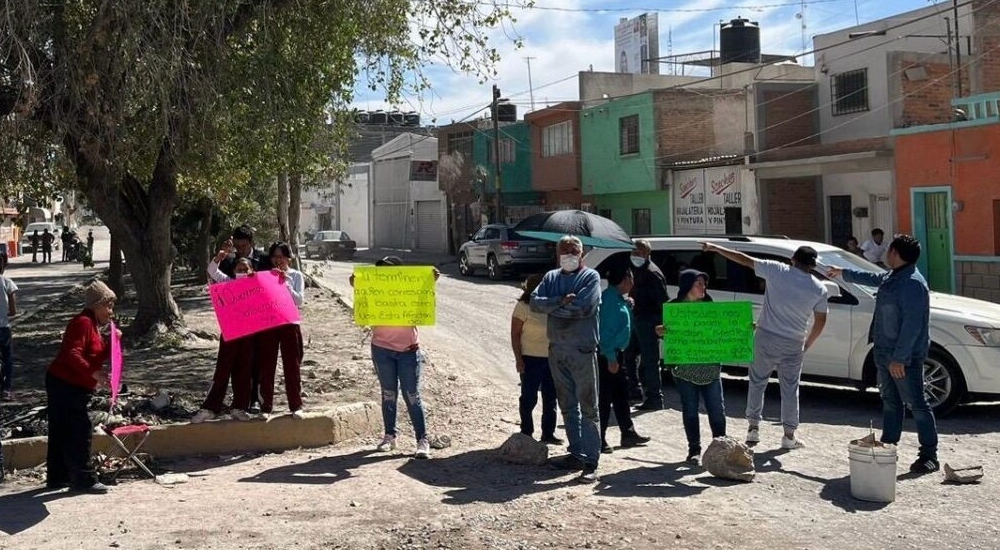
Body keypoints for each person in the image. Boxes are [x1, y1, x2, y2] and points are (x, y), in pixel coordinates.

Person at [827, 234, 939, 473]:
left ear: (896, 254)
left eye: (890, 250)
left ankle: (929, 455)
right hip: (883, 351)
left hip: (903, 357)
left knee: (917, 403)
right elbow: (872, 277)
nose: (886, 253)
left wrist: (901, 357)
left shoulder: (912, 284)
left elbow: (913, 324)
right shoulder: (893, 276)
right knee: (890, 400)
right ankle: (888, 445)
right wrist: (843, 272)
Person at [701, 241, 827, 449]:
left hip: (766, 336)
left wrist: (716, 248)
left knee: (757, 381)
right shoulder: (819, 288)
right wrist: (807, 343)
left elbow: (745, 260)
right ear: (812, 266)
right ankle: (789, 435)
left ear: (792, 260)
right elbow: (820, 320)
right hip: (794, 341)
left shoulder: (777, 270)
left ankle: (753, 428)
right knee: (790, 388)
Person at [530, 235, 603, 483]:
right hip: (557, 349)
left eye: (573, 250)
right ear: (557, 253)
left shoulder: (590, 277)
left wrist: (553, 307)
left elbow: (584, 308)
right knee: (568, 406)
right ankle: (576, 453)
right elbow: (534, 303)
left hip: (582, 350)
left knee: (588, 408)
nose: (569, 254)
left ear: (581, 253)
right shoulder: (550, 277)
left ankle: (591, 461)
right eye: (564, 250)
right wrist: (560, 301)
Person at [352, 256, 437, 459]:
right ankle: (390, 436)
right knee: (388, 393)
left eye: (389, 270)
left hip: (408, 350)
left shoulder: (409, 290)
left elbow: (427, 287)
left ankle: (422, 440)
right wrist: (359, 279)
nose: (384, 274)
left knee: (412, 395)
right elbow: (355, 283)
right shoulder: (375, 290)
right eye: (381, 270)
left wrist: (429, 278)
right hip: (381, 349)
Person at [45, 281, 119, 494]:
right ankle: (84, 478)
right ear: (97, 305)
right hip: (65, 383)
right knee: (79, 429)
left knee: (61, 429)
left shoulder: (93, 325)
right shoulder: (83, 323)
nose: (110, 311)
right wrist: (93, 373)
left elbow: (94, 355)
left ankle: (58, 476)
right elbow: (72, 354)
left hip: (72, 383)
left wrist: (111, 345)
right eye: (108, 306)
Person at [660, 269, 726, 465]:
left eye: (704, 283)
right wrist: (660, 330)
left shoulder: (709, 306)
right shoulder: (674, 308)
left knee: (717, 410)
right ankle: (694, 450)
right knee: (690, 410)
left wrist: (743, 329)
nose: (703, 287)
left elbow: (722, 330)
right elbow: (664, 331)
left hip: (710, 368)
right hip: (684, 370)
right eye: (698, 283)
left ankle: (720, 448)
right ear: (687, 285)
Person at [191, 254, 256, 423]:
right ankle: (210, 407)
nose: (242, 272)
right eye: (239, 270)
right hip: (230, 332)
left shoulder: (257, 285)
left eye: (245, 269)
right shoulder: (228, 283)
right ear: (234, 271)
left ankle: (239, 407)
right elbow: (212, 271)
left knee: (244, 370)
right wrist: (218, 257)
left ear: (251, 270)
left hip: (249, 334)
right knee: (222, 370)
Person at [218, 225, 272, 413]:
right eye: (237, 246)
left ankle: (255, 398)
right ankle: (238, 397)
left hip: (259, 318)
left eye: (243, 246)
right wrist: (223, 254)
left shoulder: (264, 260)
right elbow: (216, 279)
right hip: (236, 319)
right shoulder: (229, 262)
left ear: (250, 243)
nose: (239, 249)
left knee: (257, 358)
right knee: (237, 360)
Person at [598, 266, 650, 454]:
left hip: (618, 352)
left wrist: (627, 305)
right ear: (624, 279)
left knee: (621, 395)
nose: (633, 282)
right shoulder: (610, 300)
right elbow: (605, 332)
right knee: (604, 398)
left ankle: (627, 432)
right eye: (631, 277)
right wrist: (611, 357)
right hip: (608, 355)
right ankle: (599, 438)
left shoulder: (617, 298)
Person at [511, 273, 562, 445]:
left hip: (551, 359)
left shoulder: (551, 306)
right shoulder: (523, 306)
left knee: (550, 397)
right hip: (530, 359)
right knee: (528, 397)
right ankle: (527, 430)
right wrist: (519, 359)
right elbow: (515, 334)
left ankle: (548, 433)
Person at [255, 242, 305, 418]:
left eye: (281, 256)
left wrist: (286, 283)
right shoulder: (264, 276)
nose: (278, 260)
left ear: (288, 258)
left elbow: (299, 301)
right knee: (267, 365)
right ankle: (265, 406)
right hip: (269, 324)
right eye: (275, 256)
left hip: (289, 323)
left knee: (292, 364)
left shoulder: (296, 276)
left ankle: (296, 405)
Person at [628, 239, 669, 410]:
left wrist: (661, 325)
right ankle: (635, 391)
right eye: (633, 252)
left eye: (638, 252)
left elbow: (663, 301)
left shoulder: (652, 273)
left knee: (650, 361)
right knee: (628, 355)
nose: (634, 256)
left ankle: (655, 398)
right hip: (636, 319)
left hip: (649, 322)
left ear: (646, 253)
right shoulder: (637, 270)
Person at [0, 273, 18, 401]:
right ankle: (6, 389)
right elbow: (13, 310)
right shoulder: (7, 282)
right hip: (3, 327)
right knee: (7, 359)